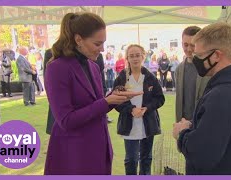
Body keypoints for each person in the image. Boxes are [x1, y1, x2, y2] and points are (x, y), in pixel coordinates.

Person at [44, 12, 142, 175]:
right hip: (74, 156)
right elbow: (66, 120)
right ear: (78, 40)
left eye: (103, 43)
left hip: (99, 148)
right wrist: (106, 101)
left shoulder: (93, 66)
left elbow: (96, 105)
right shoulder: (57, 68)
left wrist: (116, 96)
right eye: (97, 44)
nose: (102, 49)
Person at [173, 22, 231, 175]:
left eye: (199, 55)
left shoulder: (223, 95)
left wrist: (182, 133)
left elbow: (202, 155)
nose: (196, 60)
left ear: (216, 55)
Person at [113, 44, 165, 175]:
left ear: (143, 57)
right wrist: (131, 109)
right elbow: (116, 101)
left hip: (148, 124)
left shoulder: (150, 77)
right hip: (129, 124)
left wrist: (146, 108)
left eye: (137, 55)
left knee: (146, 159)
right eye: (131, 56)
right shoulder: (121, 78)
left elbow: (160, 98)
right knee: (131, 159)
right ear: (127, 58)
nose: (135, 58)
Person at [174, 26, 210, 123]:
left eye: (193, 45)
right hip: (183, 124)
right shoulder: (178, 70)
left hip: (203, 123)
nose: (189, 49)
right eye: (185, 45)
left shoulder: (210, 69)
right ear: (181, 44)